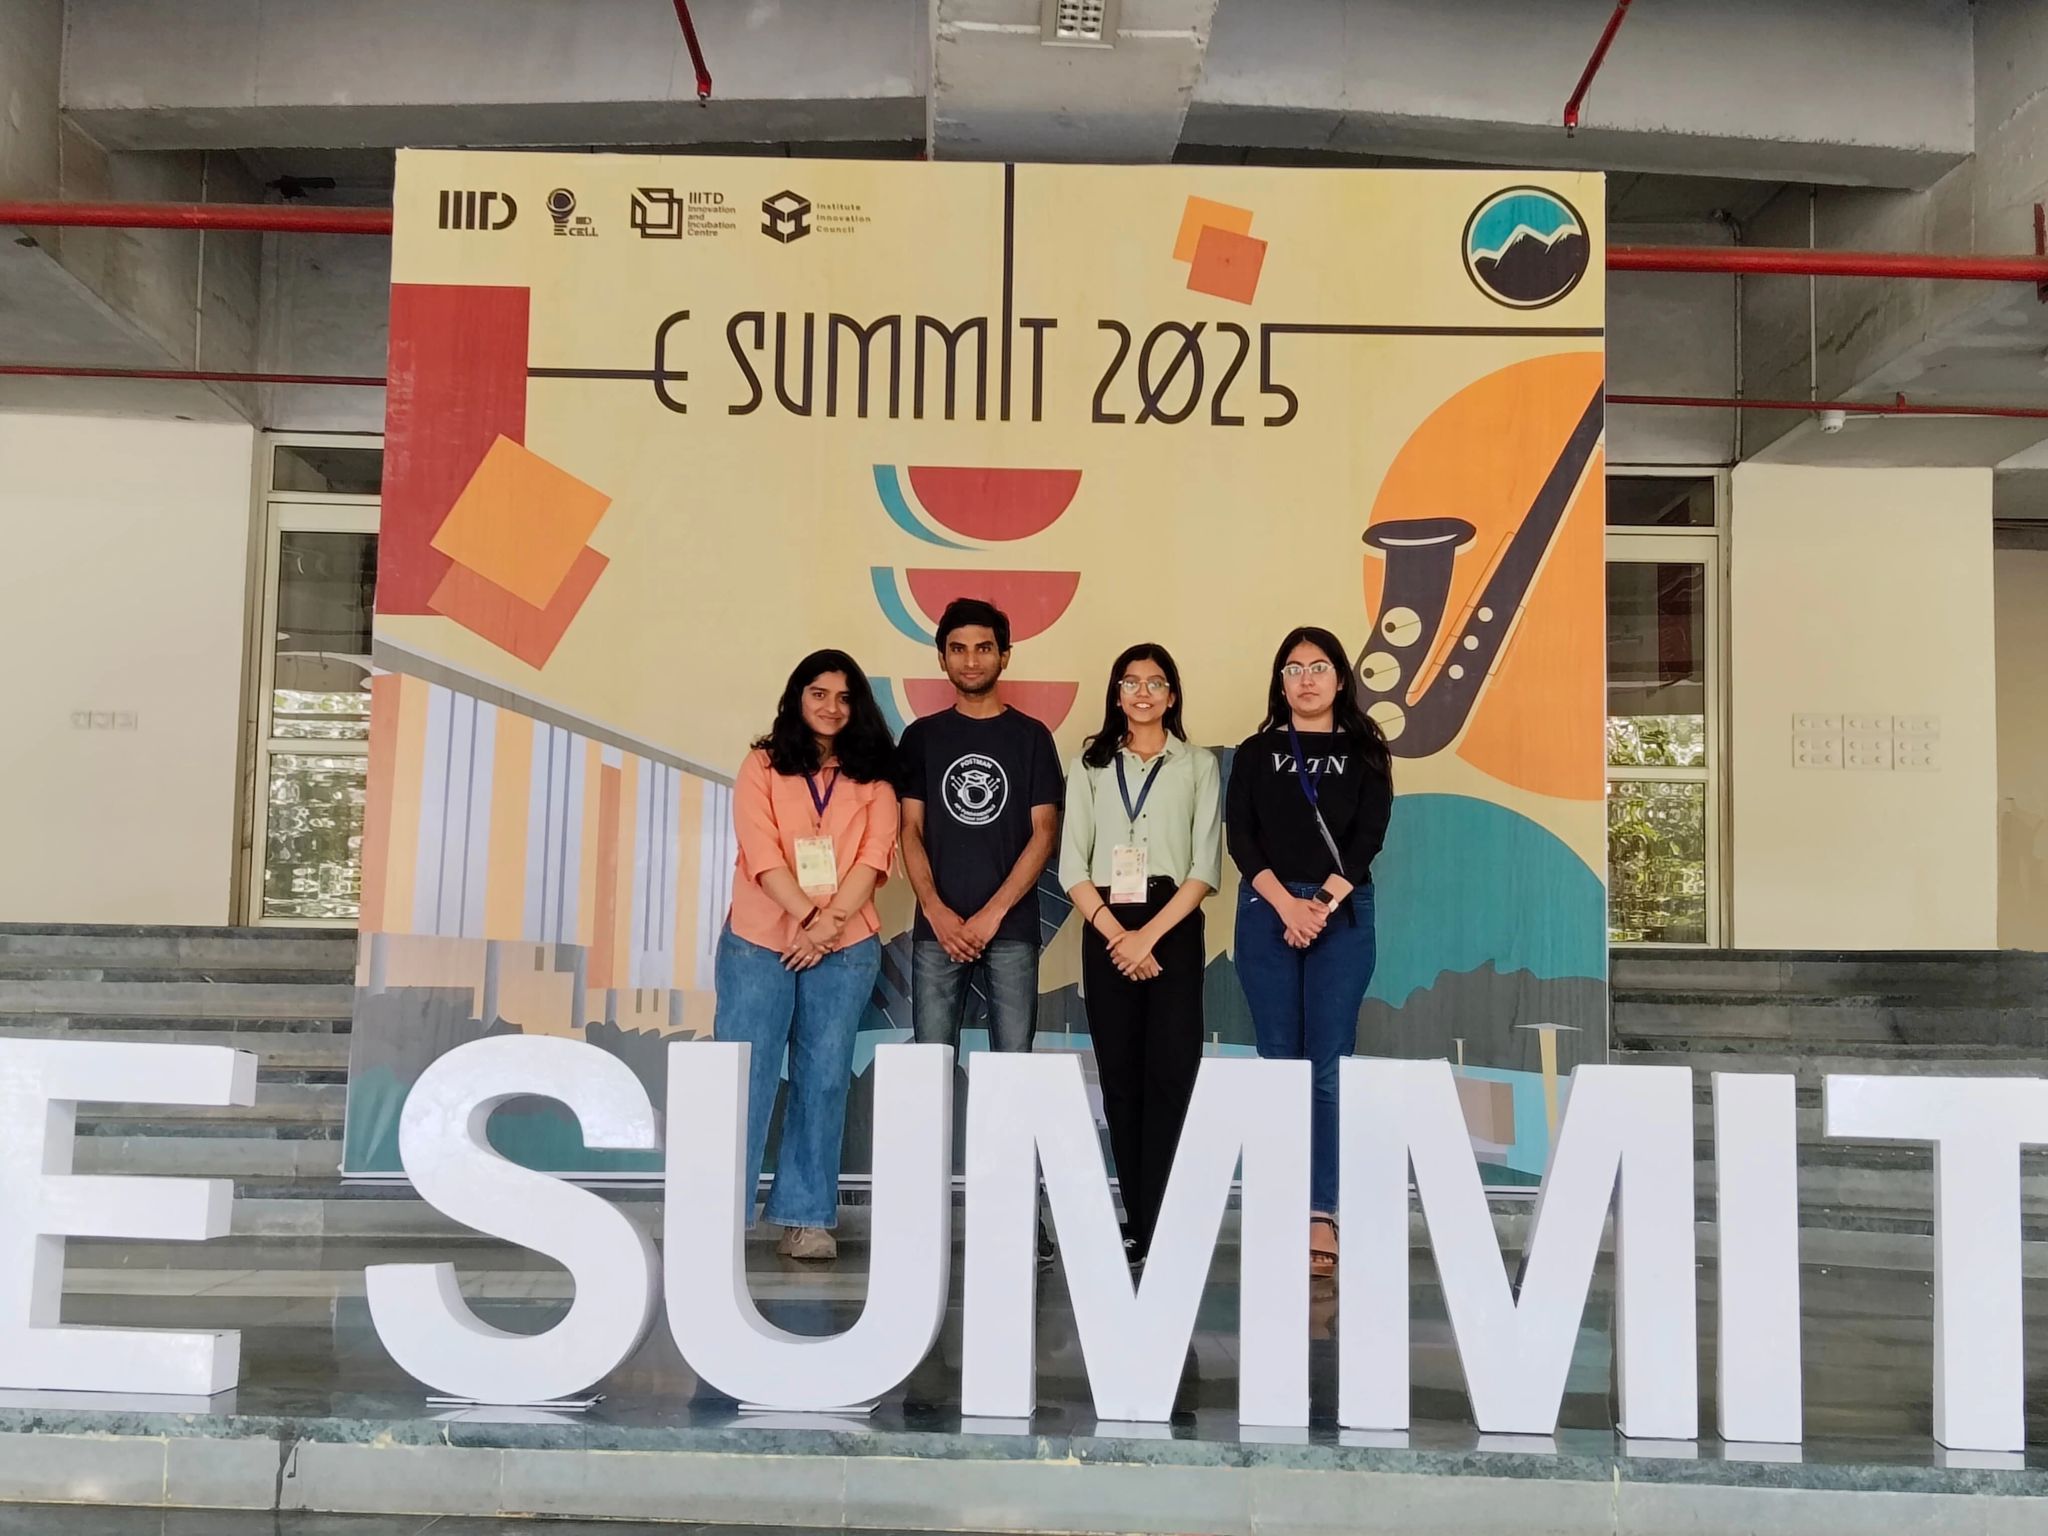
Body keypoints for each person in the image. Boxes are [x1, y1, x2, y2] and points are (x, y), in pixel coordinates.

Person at [713, 649, 900, 1263]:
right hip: (759, 941)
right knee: (744, 1078)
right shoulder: (762, 765)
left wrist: (827, 927)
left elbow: (874, 857)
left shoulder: (875, 775)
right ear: (797, 697)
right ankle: (719, 1213)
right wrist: (808, 920)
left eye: (844, 697)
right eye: (819, 693)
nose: (831, 707)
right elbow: (760, 852)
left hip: (844, 947)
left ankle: (805, 1218)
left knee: (822, 1081)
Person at [897, 598, 1063, 1263]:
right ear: (942, 657)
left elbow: (1043, 834)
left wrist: (991, 914)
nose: (971, 660)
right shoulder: (921, 739)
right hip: (936, 931)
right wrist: (937, 911)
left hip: (1011, 930)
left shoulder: (1032, 738)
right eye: (958, 648)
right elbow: (908, 830)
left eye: (984, 647)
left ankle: (1022, 1220)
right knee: (929, 1075)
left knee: (1013, 1074)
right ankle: (923, 1219)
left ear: (1004, 655)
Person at [1225, 625, 1393, 1279]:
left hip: (1340, 915)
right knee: (1278, 1063)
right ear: (1280, 681)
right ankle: (1279, 1202)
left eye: (1318, 666)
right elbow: (1241, 837)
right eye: (1293, 668)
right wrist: (1286, 906)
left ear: (1340, 678)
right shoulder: (1256, 751)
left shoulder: (1365, 750)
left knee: (1326, 1066)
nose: (1306, 679)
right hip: (1267, 910)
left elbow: (1368, 837)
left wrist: (1318, 905)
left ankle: (1321, 1210)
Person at [1058, 643, 1221, 1269]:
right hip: (1106, 925)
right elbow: (1073, 867)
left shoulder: (1198, 764)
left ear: (1172, 695)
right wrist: (1116, 934)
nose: (1143, 693)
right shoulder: (1091, 766)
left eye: (1155, 683)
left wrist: (1147, 937)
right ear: (1117, 694)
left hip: (1170, 923)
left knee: (1171, 1077)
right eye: (1131, 682)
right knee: (1121, 1080)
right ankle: (1136, 1221)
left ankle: (1167, 1223)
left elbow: (1204, 867)